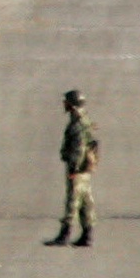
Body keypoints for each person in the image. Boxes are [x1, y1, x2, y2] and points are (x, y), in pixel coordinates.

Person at [45, 90, 98, 247]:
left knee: (73, 201)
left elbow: (79, 148)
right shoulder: (84, 119)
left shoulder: (78, 123)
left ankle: (65, 234)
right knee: (85, 202)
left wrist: (73, 169)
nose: (64, 104)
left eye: (66, 102)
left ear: (72, 104)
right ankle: (87, 235)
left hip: (78, 168)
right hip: (85, 168)